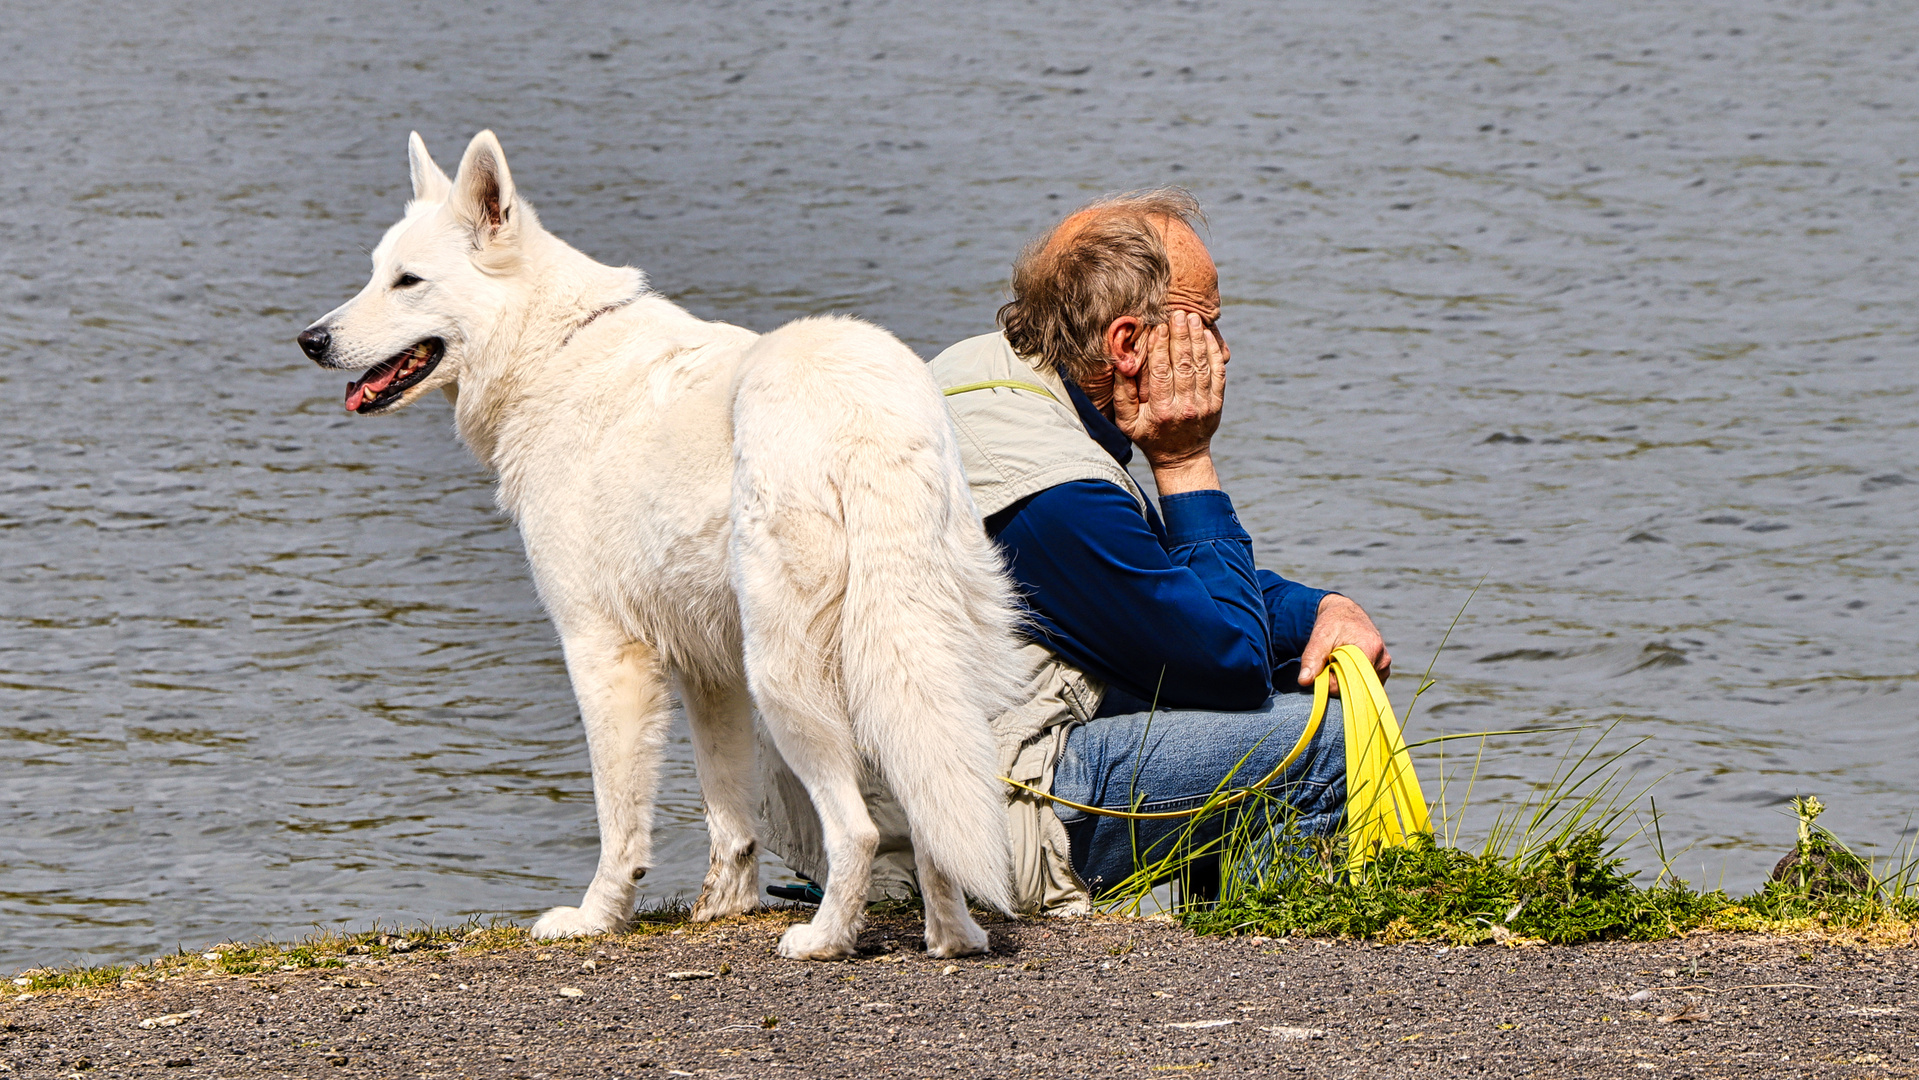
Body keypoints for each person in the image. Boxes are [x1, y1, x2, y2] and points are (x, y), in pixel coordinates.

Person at [763, 189, 1392, 913]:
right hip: (959, 828)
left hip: (877, 794)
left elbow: (1149, 577)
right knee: (1325, 742)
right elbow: (1228, 667)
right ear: (1128, 345)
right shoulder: (1054, 491)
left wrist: (1318, 609)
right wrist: (1185, 462)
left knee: (1254, 684)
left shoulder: (980, 376)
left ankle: (1232, 931)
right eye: (1207, 326)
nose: (1221, 353)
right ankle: (1261, 959)